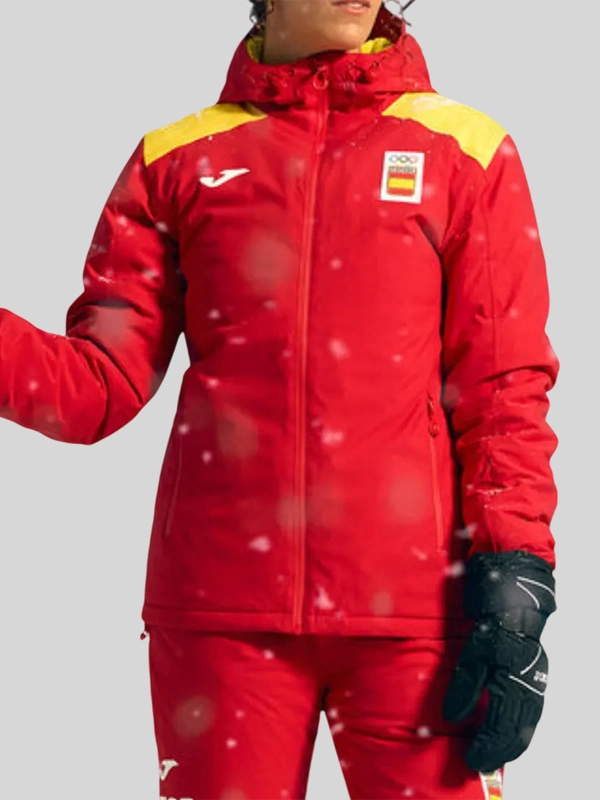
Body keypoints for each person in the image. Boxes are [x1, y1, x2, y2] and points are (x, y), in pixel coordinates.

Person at [0, 0, 559, 798]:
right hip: (223, 615)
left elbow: (503, 387)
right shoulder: (177, 161)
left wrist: (517, 577)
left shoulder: (464, 152)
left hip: (418, 620)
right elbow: (96, 385)